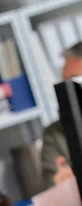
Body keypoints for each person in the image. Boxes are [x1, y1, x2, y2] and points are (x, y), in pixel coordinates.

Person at [41, 42, 82, 189]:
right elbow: (52, 187)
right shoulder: (55, 134)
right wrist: (65, 190)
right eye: (66, 82)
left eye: (77, 79)